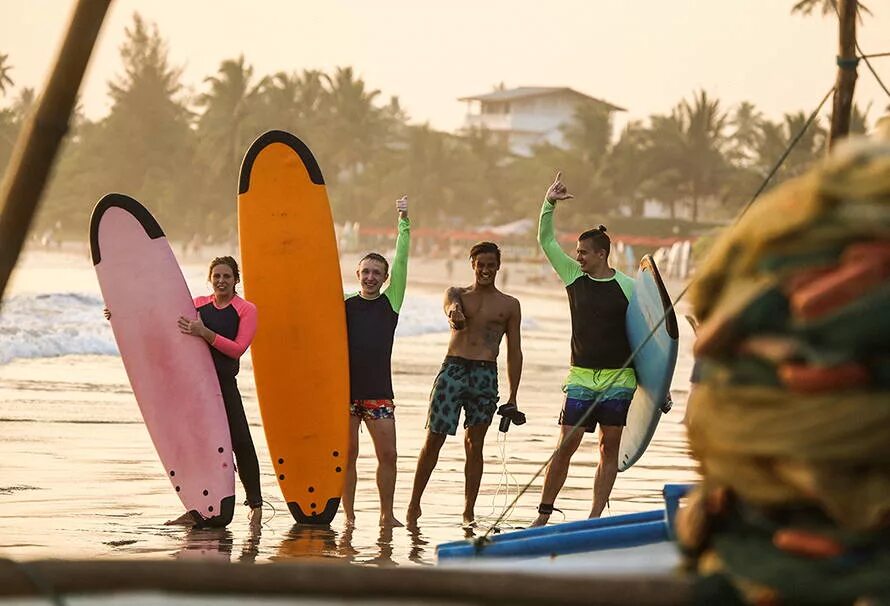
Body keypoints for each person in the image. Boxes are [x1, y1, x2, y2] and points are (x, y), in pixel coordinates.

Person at [530, 171, 636, 527]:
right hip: (580, 378)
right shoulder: (574, 278)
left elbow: (650, 338)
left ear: (602, 254)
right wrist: (549, 204)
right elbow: (545, 241)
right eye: (577, 252)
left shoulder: (629, 287)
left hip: (620, 379)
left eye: (584, 253)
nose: (578, 257)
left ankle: (594, 517)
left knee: (609, 448)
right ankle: (544, 515)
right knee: (565, 447)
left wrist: (659, 388)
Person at [406, 241, 523, 527]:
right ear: (472, 265)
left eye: (491, 265)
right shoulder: (457, 294)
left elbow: (514, 351)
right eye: (480, 265)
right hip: (453, 369)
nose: (485, 270)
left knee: (475, 445)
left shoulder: (509, 305)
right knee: (434, 438)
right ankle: (413, 505)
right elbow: (450, 306)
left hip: (485, 374)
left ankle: (468, 511)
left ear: (498, 266)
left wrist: (514, 395)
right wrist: (454, 313)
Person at [177, 256, 263, 529]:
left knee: (241, 442)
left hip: (224, 386)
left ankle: (256, 505)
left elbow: (237, 349)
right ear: (210, 278)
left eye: (227, 276)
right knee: (199, 446)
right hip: (196, 388)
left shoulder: (246, 309)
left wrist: (204, 333)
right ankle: (201, 505)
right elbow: (164, 319)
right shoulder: (198, 305)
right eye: (217, 276)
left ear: (236, 280)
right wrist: (117, 314)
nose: (221, 281)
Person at [342, 195, 410, 528]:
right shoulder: (342, 304)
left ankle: (387, 514)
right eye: (366, 271)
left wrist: (403, 221)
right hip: (345, 394)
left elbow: (402, 262)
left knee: (389, 456)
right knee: (347, 458)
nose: (370, 277)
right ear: (358, 274)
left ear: (384, 279)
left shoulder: (391, 303)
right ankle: (349, 516)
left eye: (376, 273)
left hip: (379, 393)